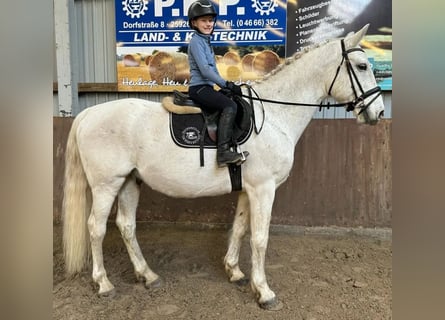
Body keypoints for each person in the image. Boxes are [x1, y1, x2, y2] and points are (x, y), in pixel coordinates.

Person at [187, 0, 248, 167]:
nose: (208, 24)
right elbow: (206, 71)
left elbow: (212, 71)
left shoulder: (205, 41)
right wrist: (226, 84)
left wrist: (224, 87)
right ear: (194, 23)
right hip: (198, 89)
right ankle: (223, 153)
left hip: (206, 87)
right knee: (230, 106)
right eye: (203, 20)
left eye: (210, 20)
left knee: (232, 100)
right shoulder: (196, 42)